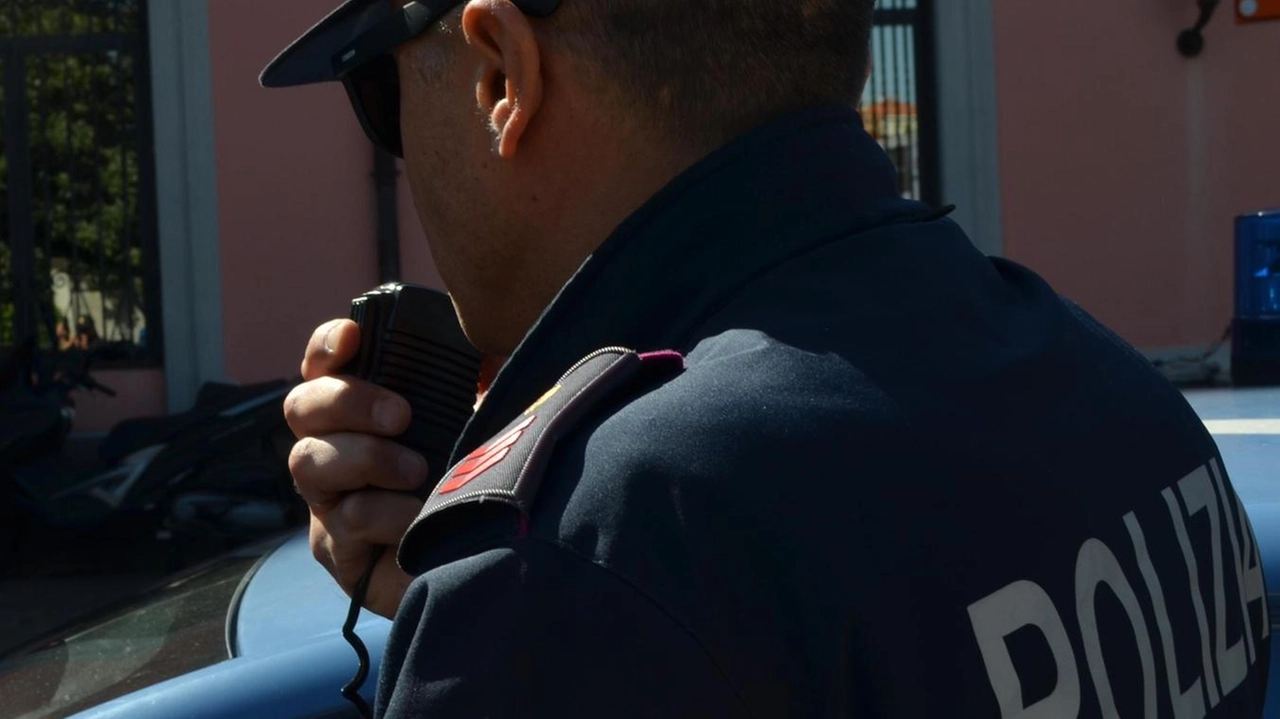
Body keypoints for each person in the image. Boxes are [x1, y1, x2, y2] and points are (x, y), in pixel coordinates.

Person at [267, 1, 1270, 716]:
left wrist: (503, 607)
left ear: (499, 74)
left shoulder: (595, 558)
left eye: (383, 93)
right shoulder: (1112, 389)